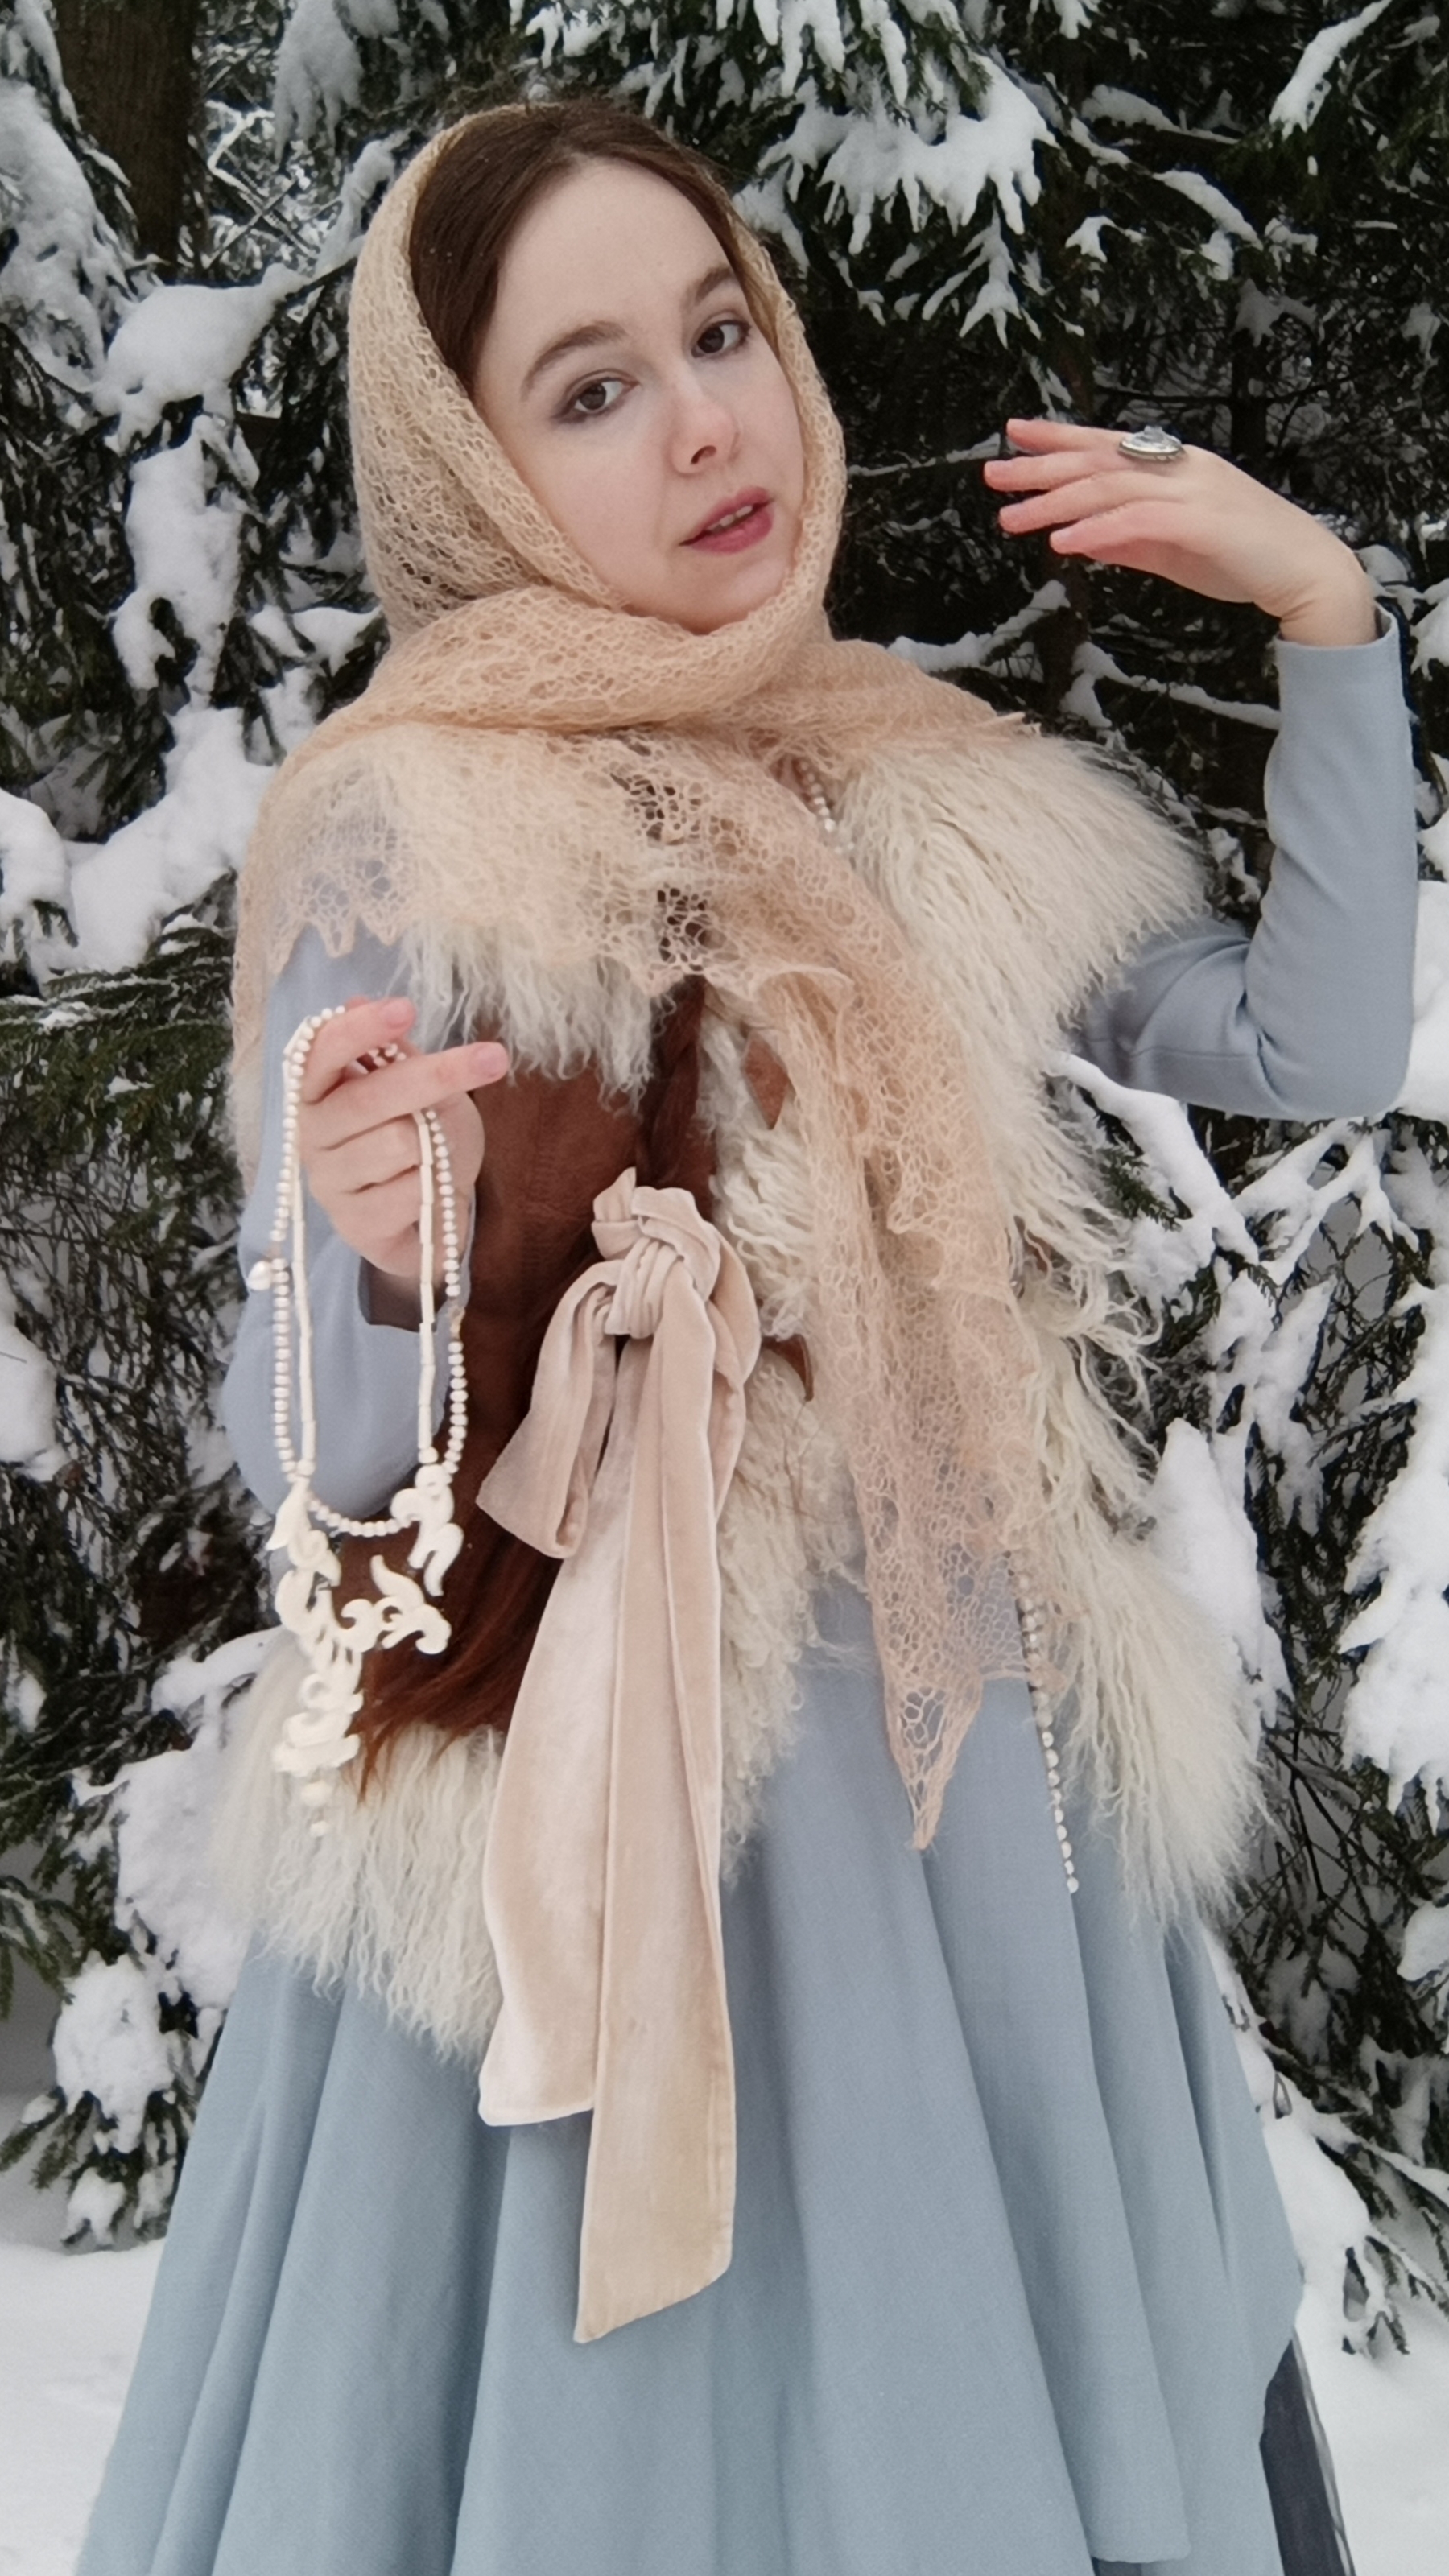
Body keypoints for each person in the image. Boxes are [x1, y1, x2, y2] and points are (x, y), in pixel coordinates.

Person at [78, 97, 1414, 2576]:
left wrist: (1326, 616)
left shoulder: (908, 776)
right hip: (623, 1832)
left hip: (978, 1797)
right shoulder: (413, 830)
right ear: (467, 464)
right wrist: (365, 1254)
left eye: (718, 335)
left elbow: (1310, 1044)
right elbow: (331, 1496)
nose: (705, 422)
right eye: (591, 387)